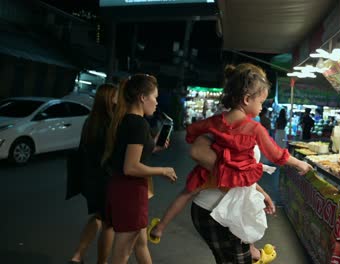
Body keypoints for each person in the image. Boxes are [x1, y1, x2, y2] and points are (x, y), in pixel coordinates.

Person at [149, 63, 312, 263]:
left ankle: (161, 227)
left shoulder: (216, 121)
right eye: (261, 102)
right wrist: (300, 164)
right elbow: (277, 154)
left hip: (208, 206)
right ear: (246, 99)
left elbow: (192, 131)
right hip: (219, 211)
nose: (262, 107)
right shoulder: (254, 129)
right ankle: (254, 253)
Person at [102, 74, 178, 264]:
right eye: (155, 97)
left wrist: (154, 145)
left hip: (122, 189)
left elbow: (132, 155)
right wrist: (163, 170)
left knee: (140, 244)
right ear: (143, 97)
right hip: (130, 192)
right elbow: (131, 166)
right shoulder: (138, 124)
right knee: (122, 254)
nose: (156, 103)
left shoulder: (127, 120)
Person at [69, 84, 118, 264]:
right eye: (116, 96)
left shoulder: (90, 121)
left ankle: (77, 255)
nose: (119, 99)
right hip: (105, 180)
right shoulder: (110, 124)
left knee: (98, 216)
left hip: (90, 179)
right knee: (109, 224)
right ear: (109, 99)